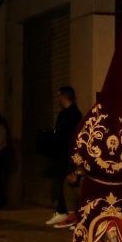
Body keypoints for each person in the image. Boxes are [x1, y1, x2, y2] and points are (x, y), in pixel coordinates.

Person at [43, 86, 83, 227]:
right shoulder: (70, 114)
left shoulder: (72, 115)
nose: (57, 99)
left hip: (68, 155)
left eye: (59, 95)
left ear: (63, 96)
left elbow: (67, 137)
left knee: (67, 181)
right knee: (63, 182)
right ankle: (63, 212)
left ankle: (66, 213)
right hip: (63, 154)